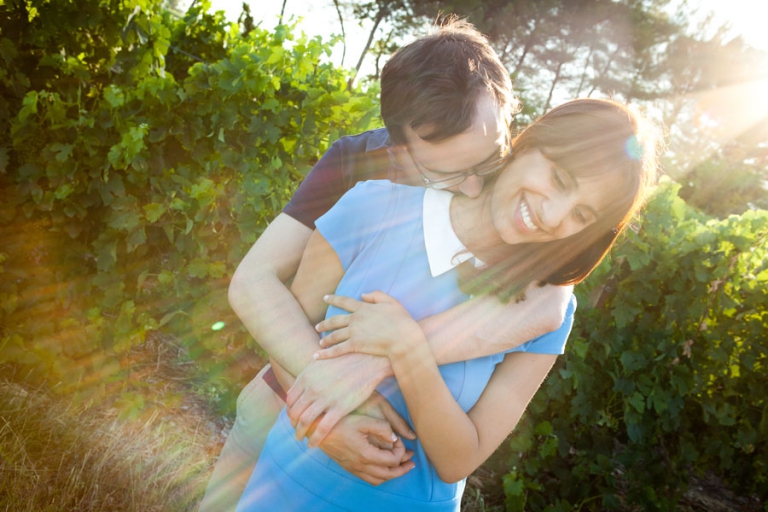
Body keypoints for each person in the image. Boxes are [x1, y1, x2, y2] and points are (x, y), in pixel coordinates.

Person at [199, 19, 574, 512]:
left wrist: (398, 351)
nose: (474, 187)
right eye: (447, 174)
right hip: (285, 395)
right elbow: (254, 282)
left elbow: (552, 300)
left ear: (508, 118)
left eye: (489, 162)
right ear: (398, 150)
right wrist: (332, 407)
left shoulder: (524, 192)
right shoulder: (356, 162)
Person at [234, 98, 660, 511]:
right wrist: (331, 427)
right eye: (560, 180)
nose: (553, 217)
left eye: (582, 215)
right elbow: (285, 332)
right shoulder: (374, 206)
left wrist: (408, 349)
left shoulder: (547, 312)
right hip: (283, 487)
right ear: (529, 143)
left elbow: (458, 460)